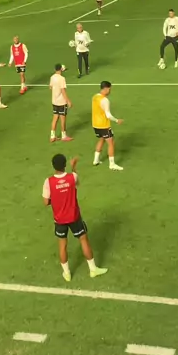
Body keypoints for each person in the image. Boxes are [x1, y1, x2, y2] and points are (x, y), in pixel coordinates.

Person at [42, 154, 108, 282]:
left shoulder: (48, 182)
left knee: (62, 246)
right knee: (83, 240)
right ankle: (93, 269)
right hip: (74, 217)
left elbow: (45, 202)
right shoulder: (72, 177)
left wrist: (55, 199)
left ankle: (67, 274)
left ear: (53, 166)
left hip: (59, 219)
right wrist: (73, 167)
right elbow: (76, 184)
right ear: (65, 165)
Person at [92, 80, 124, 170]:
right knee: (111, 143)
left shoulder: (95, 97)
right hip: (103, 125)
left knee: (101, 139)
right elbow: (108, 115)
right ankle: (112, 164)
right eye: (109, 89)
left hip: (95, 124)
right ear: (106, 89)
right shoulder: (105, 100)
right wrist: (117, 120)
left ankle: (96, 160)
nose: (110, 91)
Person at [49, 63, 73, 143]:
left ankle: (52, 136)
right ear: (61, 69)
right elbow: (63, 91)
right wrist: (68, 101)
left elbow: (50, 87)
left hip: (54, 101)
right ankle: (64, 136)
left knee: (55, 118)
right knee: (63, 119)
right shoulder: (62, 78)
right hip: (61, 102)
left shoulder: (52, 77)